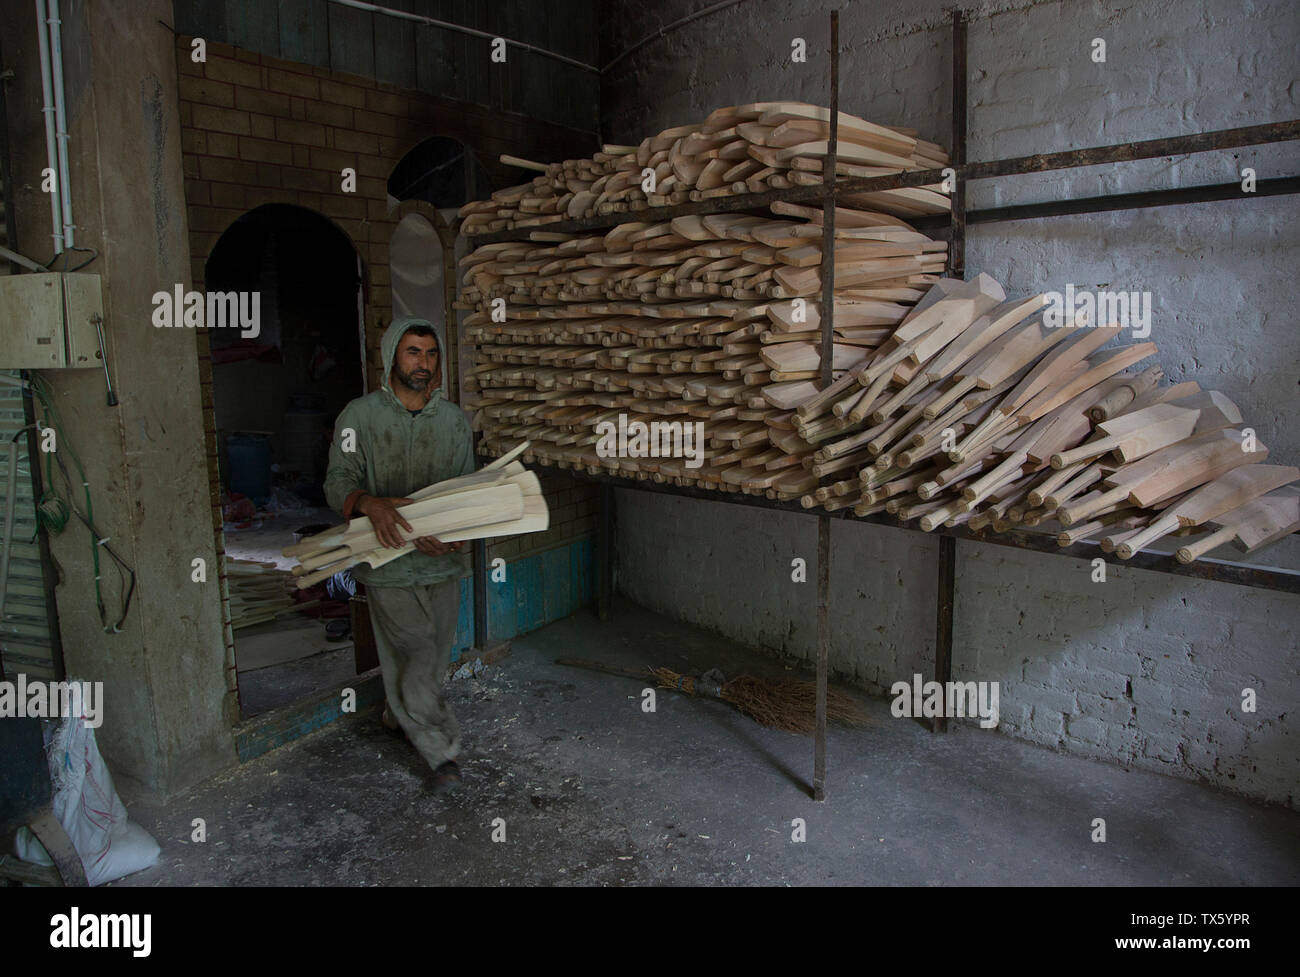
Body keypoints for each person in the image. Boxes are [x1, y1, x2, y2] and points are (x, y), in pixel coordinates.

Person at [324, 316, 474, 793]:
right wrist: (368, 503)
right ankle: (441, 752)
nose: (423, 364)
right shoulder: (359, 417)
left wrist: (455, 535)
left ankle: (395, 713)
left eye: (431, 354)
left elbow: (467, 492)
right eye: (413, 352)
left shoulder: (452, 421)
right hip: (386, 562)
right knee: (418, 652)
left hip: (441, 560)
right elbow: (336, 484)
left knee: (430, 657)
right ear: (392, 356)